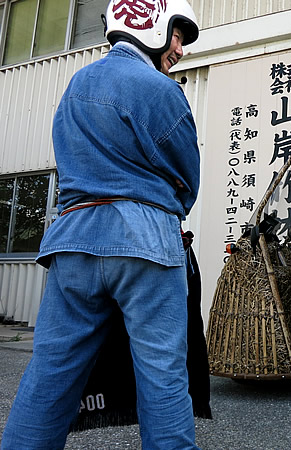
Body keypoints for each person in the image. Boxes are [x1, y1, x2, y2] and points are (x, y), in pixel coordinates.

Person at [1, 1, 202, 448]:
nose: (180, 49)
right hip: (145, 241)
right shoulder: (160, 88)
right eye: (177, 36)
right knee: (163, 376)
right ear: (154, 23)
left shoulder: (76, 85)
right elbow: (188, 178)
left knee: (50, 373)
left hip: (74, 239)